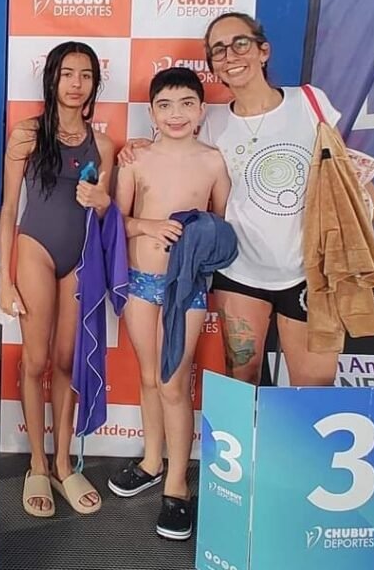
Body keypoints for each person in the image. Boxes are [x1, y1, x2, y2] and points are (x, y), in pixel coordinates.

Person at [119, 12, 374, 387]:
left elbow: (349, 176)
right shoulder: (210, 123)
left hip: (310, 274)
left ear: (263, 50)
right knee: (242, 384)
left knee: (314, 390)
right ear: (212, 64)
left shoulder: (308, 102)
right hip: (238, 274)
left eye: (240, 43)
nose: (230, 55)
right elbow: (175, 152)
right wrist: (139, 145)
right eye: (218, 50)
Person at [106, 68, 231, 540]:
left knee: (174, 384)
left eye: (185, 104)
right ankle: (151, 461)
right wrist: (149, 227)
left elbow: (223, 227)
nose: (175, 114)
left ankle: (177, 485)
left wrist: (199, 242)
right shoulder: (135, 158)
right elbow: (116, 221)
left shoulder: (213, 161)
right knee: (147, 376)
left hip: (187, 289)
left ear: (201, 110)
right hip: (139, 283)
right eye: (165, 105)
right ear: (152, 112)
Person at [0, 41, 115, 517]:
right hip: (36, 251)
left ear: (94, 84)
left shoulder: (103, 146)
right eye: (67, 74)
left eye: (85, 75)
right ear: (52, 78)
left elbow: (106, 214)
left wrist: (102, 202)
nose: (76, 83)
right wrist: (4, 281)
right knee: (36, 359)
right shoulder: (27, 134)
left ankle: (64, 464)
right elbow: (9, 209)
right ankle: (37, 464)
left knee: (67, 360)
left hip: (79, 259)